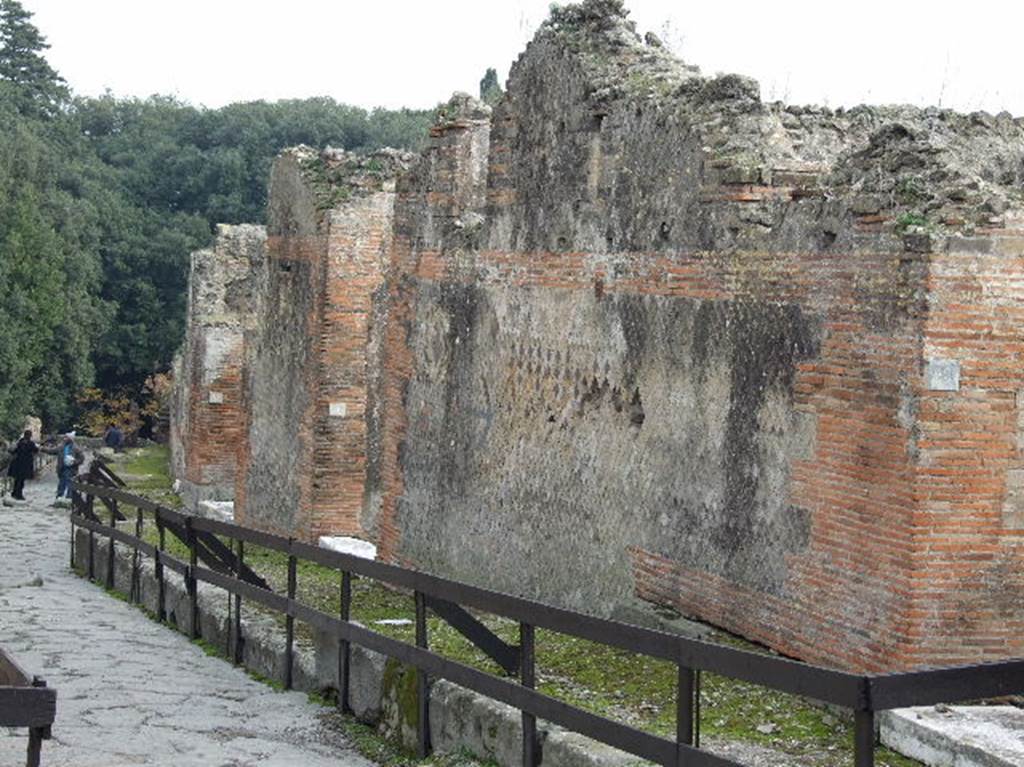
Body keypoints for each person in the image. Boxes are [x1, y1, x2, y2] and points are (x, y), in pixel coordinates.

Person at [7, 430, 39, 501]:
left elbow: (12, 451)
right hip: (25, 465)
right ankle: (19, 494)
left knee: (17, 480)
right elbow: (36, 450)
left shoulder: (19, 442)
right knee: (21, 480)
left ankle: (14, 493)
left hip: (17, 464)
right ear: (29, 436)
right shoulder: (30, 444)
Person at [52, 432, 84, 501]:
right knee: (61, 483)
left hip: (71, 469)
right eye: (64, 437)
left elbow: (81, 459)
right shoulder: (61, 447)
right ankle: (59, 496)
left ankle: (69, 498)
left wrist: (74, 461)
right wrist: (42, 448)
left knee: (70, 483)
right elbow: (52, 451)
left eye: (66, 437)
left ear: (70, 439)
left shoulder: (76, 448)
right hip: (62, 468)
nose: (64, 439)